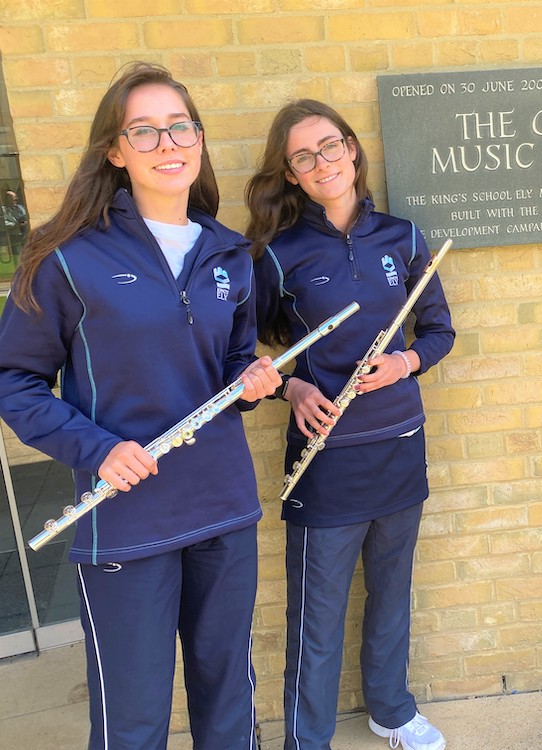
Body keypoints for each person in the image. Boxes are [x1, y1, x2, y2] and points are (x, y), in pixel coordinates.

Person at [0, 62, 281, 749]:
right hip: (126, 517)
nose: (168, 143)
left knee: (227, 694)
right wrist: (97, 450)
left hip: (223, 506)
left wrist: (254, 377)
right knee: (133, 715)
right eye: (144, 131)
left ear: (200, 138)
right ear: (115, 151)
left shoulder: (228, 252)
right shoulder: (66, 258)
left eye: (180, 126)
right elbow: (14, 379)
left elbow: (234, 356)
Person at [245, 99, 454, 750]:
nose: (322, 162)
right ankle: (306, 741)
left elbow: (441, 331)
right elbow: (245, 353)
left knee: (392, 594)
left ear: (352, 149)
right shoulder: (278, 255)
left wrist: (406, 362)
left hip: (399, 445)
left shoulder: (404, 237)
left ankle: (391, 710)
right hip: (326, 458)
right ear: (291, 173)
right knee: (317, 614)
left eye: (330, 146)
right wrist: (294, 384)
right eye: (304, 156)